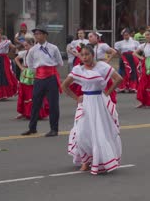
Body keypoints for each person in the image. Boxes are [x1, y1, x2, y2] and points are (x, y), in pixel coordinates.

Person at [62, 45, 123, 174]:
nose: (84, 57)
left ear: (92, 54)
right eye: (82, 55)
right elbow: (64, 85)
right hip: (85, 103)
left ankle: (97, 160)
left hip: (99, 103)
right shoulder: (78, 69)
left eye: (87, 54)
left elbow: (118, 79)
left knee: (99, 132)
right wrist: (76, 98)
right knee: (81, 133)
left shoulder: (102, 66)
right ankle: (85, 159)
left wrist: (107, 93)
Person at [21, 26, 63, 137]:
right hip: (39, 78)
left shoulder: (53, 48)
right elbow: (30, 64)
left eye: (39, 34)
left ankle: (54, 129)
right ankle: (32, 128)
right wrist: (37, 73)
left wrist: (49, 70)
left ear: (45, 35)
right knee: (35, 103)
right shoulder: (33, 50)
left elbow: (59, 63)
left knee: (53, 104)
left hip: (51, 78)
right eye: (35, 34)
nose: (37, 36)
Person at [14, 38, 49, 120]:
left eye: (27, 45)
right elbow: (16, 59)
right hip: (25, 74)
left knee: (34, 94)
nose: (25, 47)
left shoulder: (36, 53)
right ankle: (24, 112)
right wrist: (21, 67)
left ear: (32, 45)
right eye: (24, 46)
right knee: (24, 94)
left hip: (34, 74)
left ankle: (35, 112)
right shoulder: (24, 53)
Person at [87, 32, 117, 103]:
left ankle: (109, 101)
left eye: (91, 36)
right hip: (93, 67)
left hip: (102, 67)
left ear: (97, 37)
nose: (89, 38)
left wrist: (107, 61)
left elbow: (114, 52)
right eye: (88, 37)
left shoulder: (102, 45)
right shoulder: (88, 46)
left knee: (106, 84)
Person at [114, 28, 140, 93]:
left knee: (133, 71)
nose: (126, 36)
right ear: (123, 36)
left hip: (132, 57)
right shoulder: (120, 43)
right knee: (124, 72)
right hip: (124, 58)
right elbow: (116, 49)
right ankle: (123, 87)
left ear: (129, 35)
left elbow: (139, 49)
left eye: (127, 35)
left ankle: (132, 87)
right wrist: (121, 55)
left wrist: (136, 56)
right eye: (124, 35)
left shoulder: (135, 42)